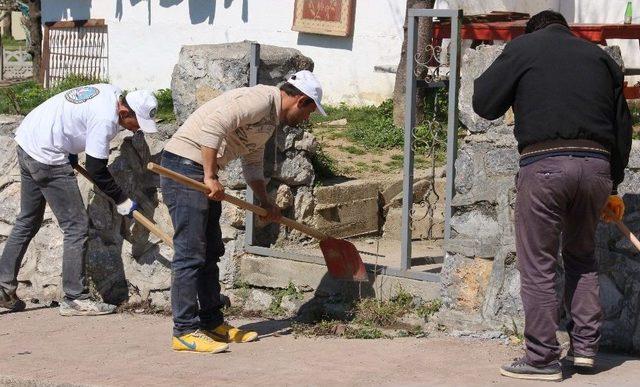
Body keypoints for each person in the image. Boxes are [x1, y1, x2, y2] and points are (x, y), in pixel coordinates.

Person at [473, 10, 632, 382]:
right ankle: (586, 351)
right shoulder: (600, 58)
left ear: (533, 31)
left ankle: (542, 358)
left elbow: (484, 103)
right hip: (596, 169)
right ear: (566, 28)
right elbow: (622, 125)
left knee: (538, 263)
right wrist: (612, 186)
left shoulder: (524, 48)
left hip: (544, 167)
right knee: (581, 257)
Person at [161, 70, 326, 353]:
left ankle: (212, 323)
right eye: (309, 111)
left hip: (202, 172)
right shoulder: (259, 99)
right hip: (184, 168)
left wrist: (265, 202)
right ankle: (184, 331)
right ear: (301, 99)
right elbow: (212, 126)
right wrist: (211, 176)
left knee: (211, 251)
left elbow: (252, 164)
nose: (307, 118)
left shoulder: (269, 120)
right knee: (190, 253)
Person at [0, 84, 158, 316]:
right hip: (47, 155)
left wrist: (71, 152)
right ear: (125, 113)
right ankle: (75, 297)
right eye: (138, 124)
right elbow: (96, 169)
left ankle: (2, 288)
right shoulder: (105, 119)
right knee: (76, 226)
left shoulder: (109, 92)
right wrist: (121, 200)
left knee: (28, 220)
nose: (137, 131)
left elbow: (72, 117)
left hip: (29, 140)